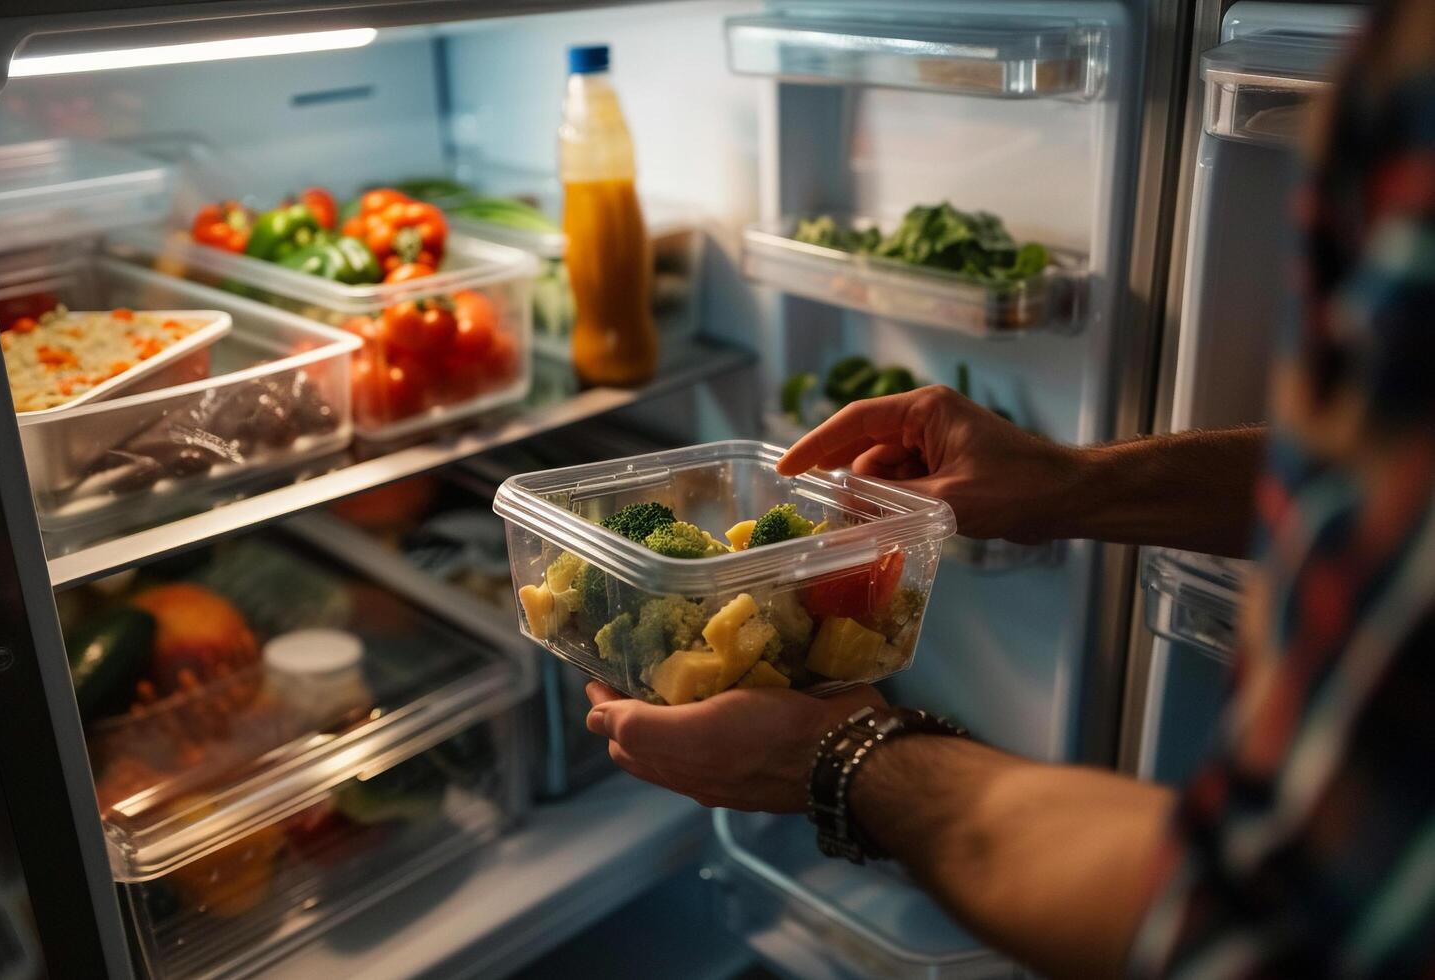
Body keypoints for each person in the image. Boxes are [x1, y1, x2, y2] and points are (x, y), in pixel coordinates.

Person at [585, 1, 1435, 975]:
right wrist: (1071, 484)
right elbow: (1382, 481)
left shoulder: (1411, 93)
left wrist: (837, 754)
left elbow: (1272, 917)